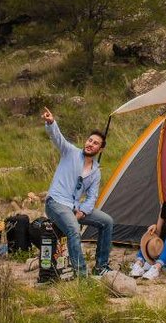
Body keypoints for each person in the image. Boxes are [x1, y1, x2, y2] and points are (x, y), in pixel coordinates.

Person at [42, 107, 114, 279]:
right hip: (56, 203)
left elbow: (92, 197)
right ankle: (82, 275)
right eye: (89, 140)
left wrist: (82, 211)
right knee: (74, 229)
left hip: (75, 207)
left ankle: (101, 266)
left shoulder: (96, 171)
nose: (90, 144)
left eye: (95, 143)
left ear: (101, 149)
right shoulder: (70, 152)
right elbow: (57, 138)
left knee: (107, 221)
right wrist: (51, 122)